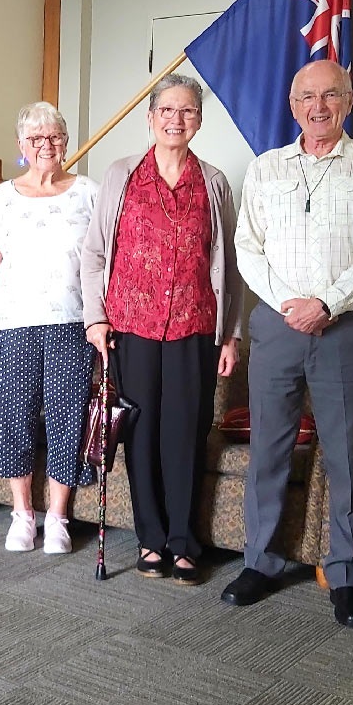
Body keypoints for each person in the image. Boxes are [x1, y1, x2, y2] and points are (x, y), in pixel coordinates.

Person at [227, 59, 353, 628]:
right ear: (292, 104)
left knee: (345, 454)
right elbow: (247, 247)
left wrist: (327, 303)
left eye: (331, 95)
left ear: (348, 102)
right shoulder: (265, 168)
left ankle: (348, 573)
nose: (318, 106)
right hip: (278, 326)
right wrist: (290, 304)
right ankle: (261, 561)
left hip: (344, 326)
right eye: (307, 96)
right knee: (269, 450)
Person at [81, 74, 242, 583]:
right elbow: (94, 253)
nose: (177, 119)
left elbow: (229, 265)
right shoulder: (121, 175)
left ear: (199, 119)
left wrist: (231, 333)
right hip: (132, 328)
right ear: (150, 118)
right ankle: (151, 540)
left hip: (195, 329)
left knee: (185, 435)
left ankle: (184, 541)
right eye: (167, 110)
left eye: (188, 111)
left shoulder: (213, 182)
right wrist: (96, 317)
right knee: (141, 435)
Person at [0, 101, 99, 554]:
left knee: (69, 418)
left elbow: (104, 262)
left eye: (55, 137)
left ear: (65, 142)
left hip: (73, 323)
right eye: (35, 139)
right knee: (14, 417)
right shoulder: (2, 198)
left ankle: (59, 517)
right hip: (14, 325)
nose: (46, 146)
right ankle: (22, 514)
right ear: (21, 146)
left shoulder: (89, 192)